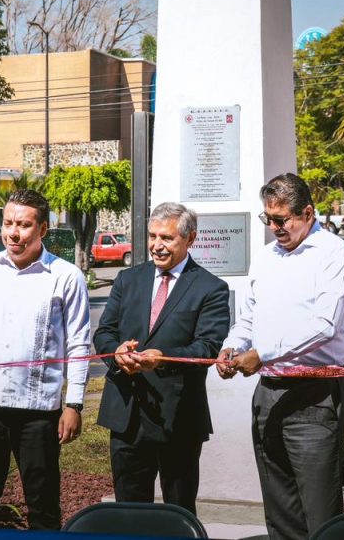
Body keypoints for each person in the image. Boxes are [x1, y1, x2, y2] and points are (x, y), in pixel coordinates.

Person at [217, 173, 344, 540]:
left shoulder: (333, 254)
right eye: (268, 218)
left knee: (319, 508)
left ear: (307, 213)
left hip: (314, 395)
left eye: (282, 220)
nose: (274, 228)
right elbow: (248, 317)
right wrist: (232, 346)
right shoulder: (266, 257)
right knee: (279, 505)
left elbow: (324, 326)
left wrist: (262, 353)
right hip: (268, 392)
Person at [0, 189, 90, 529]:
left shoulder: (66, 276)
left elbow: (79, 344)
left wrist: (74, 404)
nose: (13, 233)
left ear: (42, 229)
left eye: (23, 225)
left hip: (39, 412)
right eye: (8, 223)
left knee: (42, 504)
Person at [93, 202, 230, 514]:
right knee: (130, 513)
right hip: (127, 414)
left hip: (178, 417)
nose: (157, 245)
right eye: (153, 236)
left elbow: (207, 347)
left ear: (190, 238)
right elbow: (105, 332)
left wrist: (162, 358)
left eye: (167, 238)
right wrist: (117, 354)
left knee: (178, 510)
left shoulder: (211, 288)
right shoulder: (128, 279)